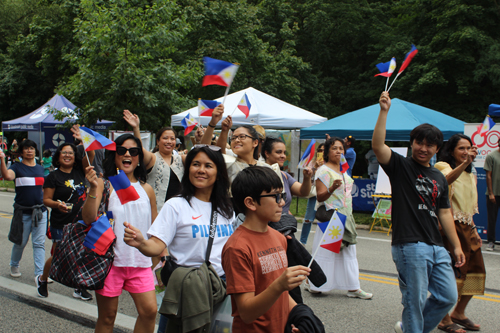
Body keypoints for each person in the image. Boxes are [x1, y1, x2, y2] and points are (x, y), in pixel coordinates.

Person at [372, 91, 465, 333]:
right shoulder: (401, 166)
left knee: (447, 296)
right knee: (414, 301)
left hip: (436, 246)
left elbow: (444, 213)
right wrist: (384, 112)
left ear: (437, 148)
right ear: (412, 143)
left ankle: (411, 329)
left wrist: (455, 246)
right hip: (409, 244)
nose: (423, 148)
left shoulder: (439, 177)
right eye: (419, 142)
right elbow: (378, 145)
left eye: (429, 144)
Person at [123, 144, 234, 331]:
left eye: (208, 166)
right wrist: (141, 244)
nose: (201, 170)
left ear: (218, 172)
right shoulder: (176, 205)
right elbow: (157, 246)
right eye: (195, 164)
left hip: (220, 288)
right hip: (186, 290)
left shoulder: (226, 209)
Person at [82, 133, 158, 333]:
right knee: (107, 318)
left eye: (133, 151)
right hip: (110, 262)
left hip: (140, 263)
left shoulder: (147, 189)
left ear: (139, 157)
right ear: (114, 155)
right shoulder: (103, 184)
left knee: (149, 312)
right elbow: (89, 218)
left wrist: (159, 255)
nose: (127, 155)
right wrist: (92, 188)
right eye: (121, 150)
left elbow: (155, 226)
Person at [222, 166, 311, 332]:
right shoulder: (237, 248)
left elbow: (282, 295)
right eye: (276, 196)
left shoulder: (278, 238)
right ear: (250, 202)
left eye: (282, 195)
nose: (282, 202)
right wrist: (279, 285)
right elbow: (246, 313)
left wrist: (300, 317)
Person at [304, 137, 372, 299]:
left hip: (346, 215)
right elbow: (320, 197)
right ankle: (316, 283)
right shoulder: (323, 171)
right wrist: (332, 188)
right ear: (327, 152)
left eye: (341, 148)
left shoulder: (343, 169)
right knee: (327, 252)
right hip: (331, 217)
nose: (339, 151)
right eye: (334, 148)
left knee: (348, 251)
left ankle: (353, 287)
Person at [37, 127, 95, 299]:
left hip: (81, 222)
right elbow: (46, 200)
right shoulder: (53, 176)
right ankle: (42, 279)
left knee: (81, 254)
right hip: (60, 222)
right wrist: (57, 204)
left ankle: (79, 287)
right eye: (64, 153)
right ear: (58, 156)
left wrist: (85, 141)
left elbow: (89, 156)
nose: (68, 155)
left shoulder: (79, 171)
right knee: (58, 254)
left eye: (71, 153)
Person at [435, 134, 484, 333]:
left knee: (476, 272)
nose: (465, 152)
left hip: (467, 227)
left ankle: (459, 313)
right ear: (451, 151)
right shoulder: (442, 166)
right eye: (461, 148)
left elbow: (469, 205)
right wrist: (465, 163)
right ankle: (444, 318)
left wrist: (474, 229)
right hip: (450, 227)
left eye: (468, 148)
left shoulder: (471, 175)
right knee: (453, 275)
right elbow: (445, 181)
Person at [0, 140, 47, 281]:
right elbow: (8, 176)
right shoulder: (17, 167)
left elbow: (44, 189)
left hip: (40, 212)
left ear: (35, 151)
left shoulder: (40, 168)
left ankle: (40, 273)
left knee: (39, 243)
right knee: (21, 242)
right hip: (23, 212)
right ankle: (14, 264)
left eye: (32, 148)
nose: (29, 151)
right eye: (26, 148)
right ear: (21, 152)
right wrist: (2, 160)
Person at [123, 110, 186, 212]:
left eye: (172, 138)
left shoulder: (181, 159)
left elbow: (201, 155)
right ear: (158, 141)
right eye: (165, 138)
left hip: (177, 212)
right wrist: (136, 128)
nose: (169, 141)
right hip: (154, 212)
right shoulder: (153, 158)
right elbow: (141, 151)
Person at [200, 107, 271, 185]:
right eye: (233, 138)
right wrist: (215, 125)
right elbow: (205, 150)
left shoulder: (267, 168)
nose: (236, 140)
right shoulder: (228, 164)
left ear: (255, 143)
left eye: (242, 137)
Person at [301, 143, 325, 245]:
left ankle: (324, 245)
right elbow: (308, 175)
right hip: (315, 193)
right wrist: (315, 167)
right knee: (308, 219)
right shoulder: (313, 163)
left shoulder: (330, 164)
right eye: (320, 150)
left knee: (325, 219)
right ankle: (302, 242)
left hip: (326, 194)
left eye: (324, 150)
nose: (322, 152)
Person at [484, 138, 500, 251]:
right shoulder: (491, 156)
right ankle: (491, 242)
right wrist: (491, 193)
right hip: (494, 193)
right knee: (492, 219)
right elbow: (488, 175)